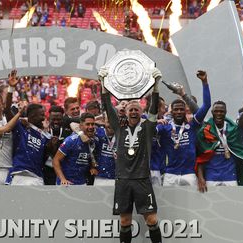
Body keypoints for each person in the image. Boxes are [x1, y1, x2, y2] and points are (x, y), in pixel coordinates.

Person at [99, 66, 163, 243]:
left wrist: (156, 86)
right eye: (131, 110)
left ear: (141, 113)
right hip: (123, 180)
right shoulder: (119, 128)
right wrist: (103, 84)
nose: (134, 112)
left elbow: (154, 109)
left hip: (142, 179)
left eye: (137, 110)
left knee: (151, 220)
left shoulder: (148, 127)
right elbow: (108, 107)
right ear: (126, 113)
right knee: (125, 221)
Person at [158, 70, 211, 186]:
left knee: (191, 203)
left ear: (185, 111)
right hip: (170, 174)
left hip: (189, 174)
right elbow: (148, 127)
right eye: (176, 109)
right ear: (171, 111)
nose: (179, 111)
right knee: (169, 203)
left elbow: (206, 105)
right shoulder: (165, 126)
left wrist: (204, 82)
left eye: (181, 109)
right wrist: (157, 121)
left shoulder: (192, 125)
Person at [197, 101, 243, 191]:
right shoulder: (205, 131)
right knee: (212, 203)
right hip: (211, 176)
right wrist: (201, 177)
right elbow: (201, 157)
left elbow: (239, 149)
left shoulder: (233, 129)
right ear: (212, 112)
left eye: (221, 111)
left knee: (233, 203)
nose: (219, 113)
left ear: (225, 112)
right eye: (216, 111)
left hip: (230, 176)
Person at [8, 104, 57, 185]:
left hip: (37, 177)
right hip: (19, 174)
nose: (43, 118)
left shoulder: (46, 136)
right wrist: (19, 115)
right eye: (41, 115)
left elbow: (45, 158)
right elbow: (7, 112)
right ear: (32, 116)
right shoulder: (21, 127)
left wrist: (52, 146)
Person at [53, 112, 97, 185]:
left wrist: (92, 167)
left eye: (92, 124)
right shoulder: (71, 140)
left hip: (82, 183)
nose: (91, 127)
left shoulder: (94, 140)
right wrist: (62, 179)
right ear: (81, 126)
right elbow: (55, 160)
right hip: (67, 183)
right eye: (87, 124)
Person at [43, 105, 65, 185]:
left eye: (59, 119)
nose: (56, 121)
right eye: (53, 119)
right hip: (46, 169)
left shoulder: (68, 129)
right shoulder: (43, 129)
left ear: (63, 117)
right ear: (49, 118)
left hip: (63, 169)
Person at [92, 115, 116, 186]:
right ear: (104, 122)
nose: (111, 125)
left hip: (117, 178)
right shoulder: (98, 132)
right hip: (99, 176)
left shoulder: (122, 133)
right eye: (108, 122)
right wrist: (95, 119)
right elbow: (75, 124)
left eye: (113, 122)